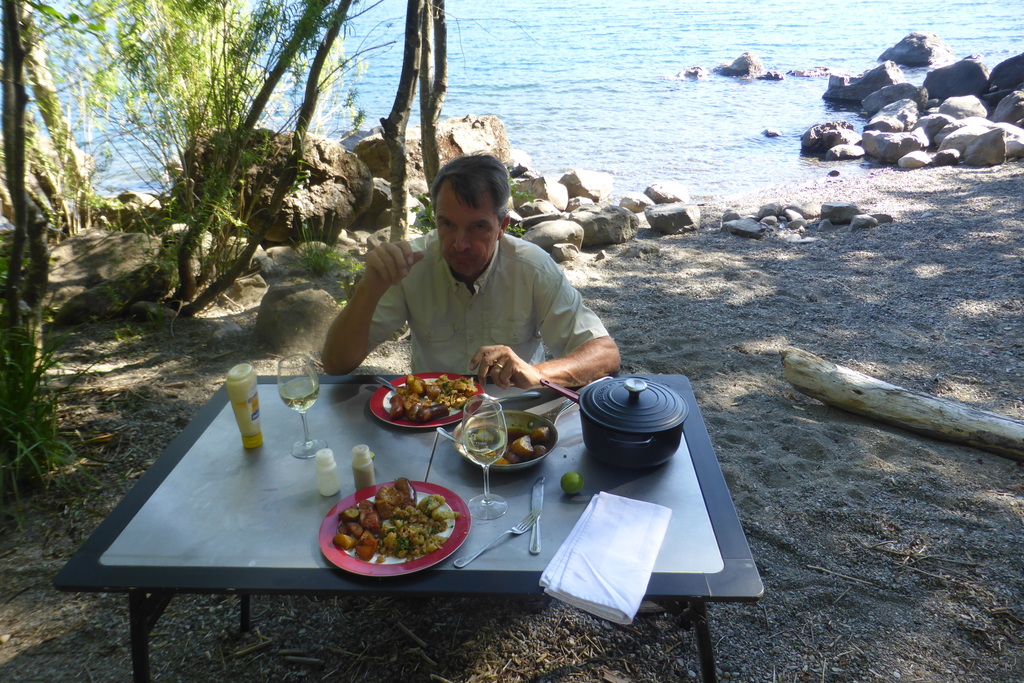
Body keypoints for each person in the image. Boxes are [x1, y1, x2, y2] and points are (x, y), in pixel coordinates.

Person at [321, 153, 620, 389]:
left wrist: (537, 373)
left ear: (503, 227)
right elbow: (335, 364)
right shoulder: (410, 266)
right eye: (447, 224)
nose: (459, 244)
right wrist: (369, 288)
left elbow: (605, 354)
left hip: (515, 416)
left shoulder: (531, 268)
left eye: (478, 227)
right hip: (433, 417)